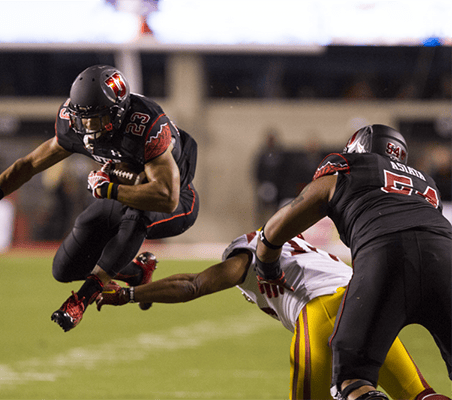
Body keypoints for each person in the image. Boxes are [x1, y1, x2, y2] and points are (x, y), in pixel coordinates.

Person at [0, 64, 199, 332]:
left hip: (178, 202)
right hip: (120, 198)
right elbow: (31, 163)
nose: (87, 124)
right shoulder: (76, 123)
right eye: (82, 116)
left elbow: (166, 196)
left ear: (119, 112)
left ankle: (82, 299)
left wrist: (109, 189)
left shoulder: (144, 125)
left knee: (136, 216)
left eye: (96, 117)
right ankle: (136, 272)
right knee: (64, 268)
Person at [96, 231, 450, 400]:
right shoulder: (308, 252)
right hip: (368, 304)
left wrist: (129, 294)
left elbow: (193, 284)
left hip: (324, 311)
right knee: (420, 395)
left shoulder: (248, 252)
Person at [251, 125, 451, 400]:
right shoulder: (426, 183)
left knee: (352, 378)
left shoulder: (348, 165)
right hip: (447, 258)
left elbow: (276, 229)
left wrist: (267, 265)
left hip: (385, 252)